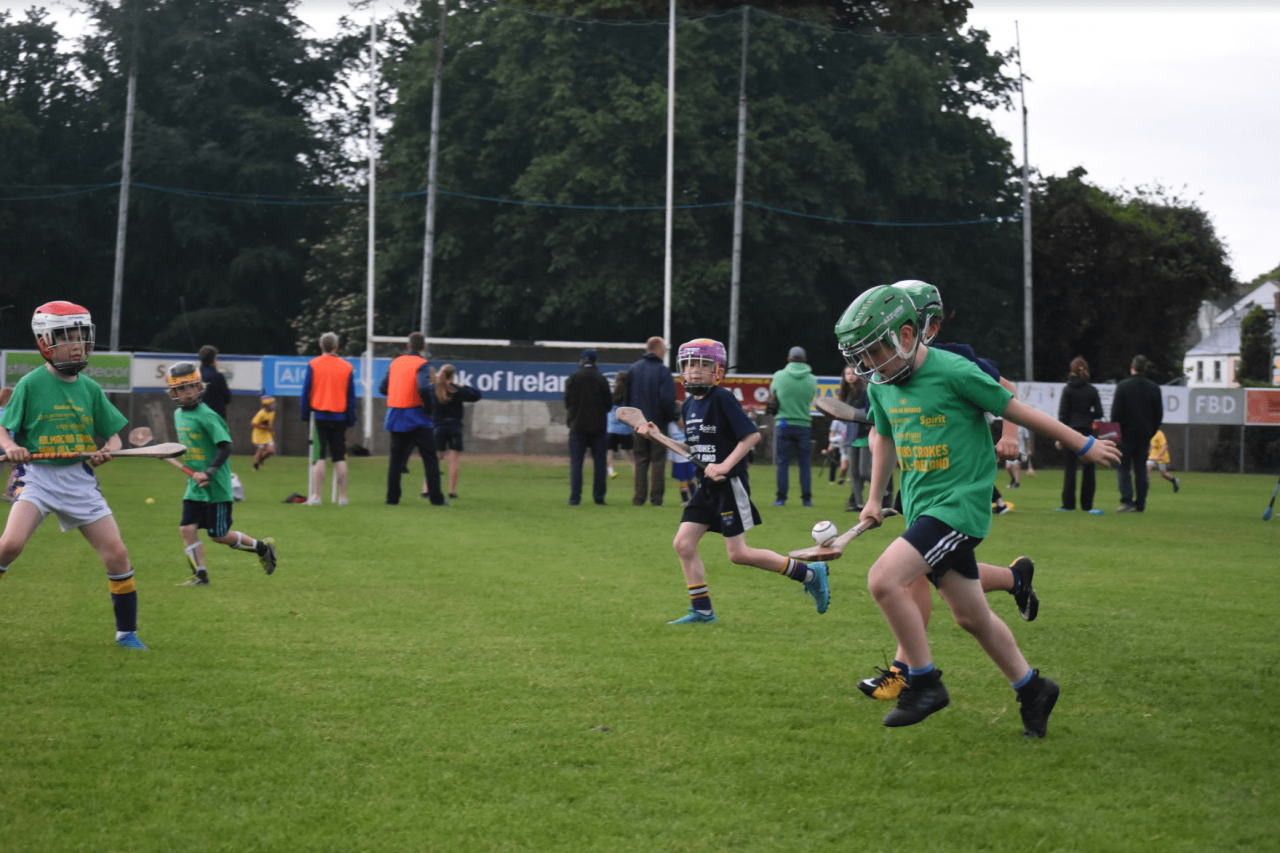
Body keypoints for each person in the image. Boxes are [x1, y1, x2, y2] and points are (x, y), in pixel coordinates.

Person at [837, 284, 1120, 737]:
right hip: (922, 508)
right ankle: (1033, 689)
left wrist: (1081, 442)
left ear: (907, 336)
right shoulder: (883, 385)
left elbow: (1017, 409)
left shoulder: (955, 370)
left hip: (958, 508)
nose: (867, 365)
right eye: (861, 357)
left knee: (885, 579)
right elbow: (884, 437)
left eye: (873, 352)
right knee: (971, 616)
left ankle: (923, 681)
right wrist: (874, 499)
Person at [851, 281, 1045, 702]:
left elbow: (1007, 392)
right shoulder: (890, 371)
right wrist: (875, 489)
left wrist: (1010, 434)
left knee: (905, 577)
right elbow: (884, 432)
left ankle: (908, 672)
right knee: (963, 607)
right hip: (919, 487)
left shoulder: (953, 359)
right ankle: (1029, 673)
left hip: (954, 492)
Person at [632, 339, 830, 625]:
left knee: (738, 554)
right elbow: (694, 450)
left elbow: (751, 436)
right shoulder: (688, 405)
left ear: (718, 371)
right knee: (683, 544)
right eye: (689, 365)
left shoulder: (722, 399)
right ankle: (701, 610)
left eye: (702, 365)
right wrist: (658, 437)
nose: (694, 371)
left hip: (729, 486)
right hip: (706, 488)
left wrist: (725, 465)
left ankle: (810, 574)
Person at [0, 301, 148, 649]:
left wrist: (108, 448)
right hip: (37, 479)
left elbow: (113, 434)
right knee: (9, 545)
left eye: (82, 336)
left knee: (117, 555)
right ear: (46, 343)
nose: (78, 344)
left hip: (80, 483)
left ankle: (127, 633)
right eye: (68, 337)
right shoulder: (30, 385)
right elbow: (4, 430)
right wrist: (11, 448)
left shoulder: (90, 389)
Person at [166, 362, 277, 586]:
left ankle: (263, 548)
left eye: (192, 386)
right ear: (173, 392)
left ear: (199, 387)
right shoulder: (178, 414)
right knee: (186, 528)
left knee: (218, 535)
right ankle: (201, 576)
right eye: (182, 388)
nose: (188, 392)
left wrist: (209, 472)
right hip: (194, 486)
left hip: (216, 486)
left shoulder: (208, 416)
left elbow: (226, 446)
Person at [379, 332, 446, 506]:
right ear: (422, 348)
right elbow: (423, 387)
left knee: (396, 460)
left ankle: (392, 498)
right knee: (429, 458)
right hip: (417, 416)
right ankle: (436, 498)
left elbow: (383, 387)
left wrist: (398, 390)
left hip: (396, 415)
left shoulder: (395, 363)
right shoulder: (422, 364)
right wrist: (429, 408)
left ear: (408, 346)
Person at [300, 331, 357, 506]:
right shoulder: (346, 367)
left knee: (319, 456)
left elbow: (306, 392)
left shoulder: (314, 364)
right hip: (339, 416)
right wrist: (351, 417)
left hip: (319, 416)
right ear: (336, 347)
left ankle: (317, 496)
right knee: (339, 456)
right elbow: (351, 396)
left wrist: (304, 413)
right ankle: (342, 497)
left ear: (321, 346)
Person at [627, 337, 679, 506]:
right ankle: (656, 498)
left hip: (637, 423)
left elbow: (627, 398)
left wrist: (631, 420)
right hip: (657, 424)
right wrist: (675, 417)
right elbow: (667, 399)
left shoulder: (633, 369)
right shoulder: (663, 371)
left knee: (641, 460)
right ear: (657, 349)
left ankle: (639, 497)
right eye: (663, 348)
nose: (664, 352)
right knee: (658, 461)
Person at [1112, 354, 1164, 513]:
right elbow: (1158, 415)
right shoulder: (1154, 388)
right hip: (1144, 435)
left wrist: (1115, 434)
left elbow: (1116, 414)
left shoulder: (1123, 386)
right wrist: (1151, 432)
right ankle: (1140, 504)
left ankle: (1127, 500)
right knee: (1141, 469)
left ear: (1132, 368)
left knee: (1123, 468)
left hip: (1126, 434)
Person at [1053, 356, 1104, 513]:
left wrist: (1059, 437)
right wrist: (1088, 416)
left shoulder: (1067, 390)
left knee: (1070, 469)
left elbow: (1063, 415)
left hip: (1070, 432)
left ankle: (1068, 504)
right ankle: (1087, 505)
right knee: (1088, 469)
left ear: (1072, 371)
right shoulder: (1092, 390)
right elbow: (1100, 413)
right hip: (1087, 432)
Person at [769, 346, 818, 507]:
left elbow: (773, 393)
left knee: (783, 462)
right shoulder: (812, 379)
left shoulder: (779, 376)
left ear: (789, 359)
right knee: (805, 463)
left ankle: (781, 498)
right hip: (804, 424)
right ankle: (807, 499)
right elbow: (811, 397)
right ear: (805, 360)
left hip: (783, 423)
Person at [563, 348, 612, 506]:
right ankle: (599, 498)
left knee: (576, 464)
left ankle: (575, 498)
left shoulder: (573, 377)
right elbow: (608, 404)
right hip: (598, 428)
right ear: (595, 361)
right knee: (599, 464)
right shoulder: (601, 379)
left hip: (577, 426)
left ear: (581, 361)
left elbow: (568, 402)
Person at [432, 364, 481, 499]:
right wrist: (463, 386)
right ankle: (451, 492)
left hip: (438, 428)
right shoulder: (457, 390)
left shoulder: (434, 390)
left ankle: (427, 490)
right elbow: (477, 395)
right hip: (454, 428)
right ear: (453, 376)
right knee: (453, 462)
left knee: (434, 461)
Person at [605, 370, 633, 481]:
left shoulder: (612, 393)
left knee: (609, 452)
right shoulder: (629, 395)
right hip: (626, 429)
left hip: (611, 428)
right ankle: (636, 472)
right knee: (632, 456)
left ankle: (610, 471)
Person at [198, 345, 232, 423]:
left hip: (200, 417)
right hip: (216, 417)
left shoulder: (196, 376)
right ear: (213, 360)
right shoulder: (218, 376)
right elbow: (227, 398)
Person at [667, 422, 698, 506]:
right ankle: (685, 500)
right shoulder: (671, 425)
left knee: (691, 478)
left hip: (689, 457)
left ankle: (694, 499)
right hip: (678, 459)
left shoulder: (689, 423)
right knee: (682, 480)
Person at [251, 395, 276, 471]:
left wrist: (271, 431)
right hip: (259, 434)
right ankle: (255, 466)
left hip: (267, 433)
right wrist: (264, 427)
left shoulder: (272, 413)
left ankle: (260, 459)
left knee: (271, 451)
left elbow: (270, 424)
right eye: (271, 403)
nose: (273, 405)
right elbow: (253, 423)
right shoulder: (261, 413)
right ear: (267, 404)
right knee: (260, 450)